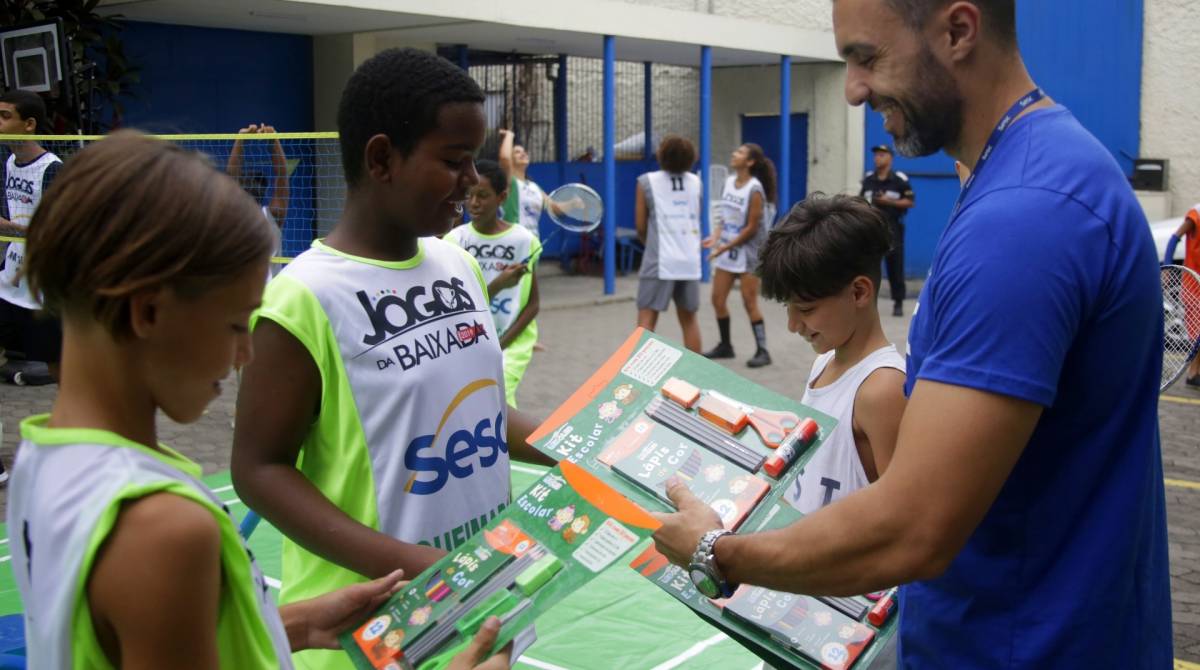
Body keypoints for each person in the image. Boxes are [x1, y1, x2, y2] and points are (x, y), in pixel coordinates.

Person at [652, 1, 1171, 667]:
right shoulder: (1043, 168)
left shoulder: (1022, 221)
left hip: (1021, 646)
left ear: (958, 31)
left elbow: (910, 529)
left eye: (867, 57)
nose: (853, 89)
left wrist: (716, 551)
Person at [8, 130, 510, 670]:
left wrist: (291, 623)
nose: (246, 354)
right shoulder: (164, 529)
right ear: (148, 312)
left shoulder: (41, 459)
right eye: (234, 325)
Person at [230, 48, 552, 670]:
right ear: (381, 159)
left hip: (481, 596)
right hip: (375, 628)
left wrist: (590, 445)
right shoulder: (305, 296)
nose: (472, 181)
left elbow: (485, 411)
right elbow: (258, 470)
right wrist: (426, 566)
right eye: (454, 162)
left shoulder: (455, 263)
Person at [759, 194, 906, 513]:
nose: (793, 324)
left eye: (807, 308)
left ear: (859, 292)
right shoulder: (824, 362)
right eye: (788, 307)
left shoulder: (882, 390)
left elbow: (902, 521)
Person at [445, 159, 541, 406]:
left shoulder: (524, 240)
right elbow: (456, 308)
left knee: (501, 398)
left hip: (512, 341)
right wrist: (499, 284)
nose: (474, 203)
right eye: (469, 195)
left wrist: (501, 344)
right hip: (470, 340)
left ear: (502, 197)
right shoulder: (454, 241)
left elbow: (533, 305)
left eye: (483, 195)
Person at [0, 89, 63, 389]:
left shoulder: (52, 170)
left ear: (29, 124)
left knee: (58, 369)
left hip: (41, 289)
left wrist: (10, 228)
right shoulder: (10, 162)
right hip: (9, 280)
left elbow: (58, 232)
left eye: (5, 116)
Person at [703, 143, 777, 368]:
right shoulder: (728, 182)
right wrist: (716, 237)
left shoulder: (754, 189)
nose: (734, 154)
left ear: (750, 162)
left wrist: (723, 248)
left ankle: (763, 351)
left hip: (749, 253)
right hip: (728, 249)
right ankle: (726, 346)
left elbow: (751, 228)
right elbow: (724, 218)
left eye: (740, 153)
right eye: (735, 151)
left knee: (749, 301)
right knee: (717, 299)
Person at [634, 135, 703, 353]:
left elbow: (640, 225)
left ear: (661, 154)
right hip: (689, 259)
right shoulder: (696, 182)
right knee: (689, 320)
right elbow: (696, 216)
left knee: (646, 319)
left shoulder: (646, 181)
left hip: (660, 258)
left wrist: (649, 244)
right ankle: (697, 375)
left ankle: (639, 375)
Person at [227, 123, 290, 278]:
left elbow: (231, 178)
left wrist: (240, 139)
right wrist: (273, 141)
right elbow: (282, 176)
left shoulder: (268, 216)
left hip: (262, 297)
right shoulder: (271, 215)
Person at [859, 144, 914, 316]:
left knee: (895, 265)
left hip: (892, 228)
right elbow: (862, 200)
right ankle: (866, 302)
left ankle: (898, 302)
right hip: (871, 228)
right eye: (876, 155)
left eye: (882, 155)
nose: (877, 158)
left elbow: (910, 202)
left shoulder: (899, 180)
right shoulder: (869, 179)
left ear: (890, 158)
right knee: (868, 265)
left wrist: (887, 202)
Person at [1165, 203, 1200, 386]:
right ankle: (1192, 373)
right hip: (1193, 281)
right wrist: (1169, 265)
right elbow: (1175, 237)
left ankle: (1195, 373)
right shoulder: (1196, 213)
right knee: (1197, 332)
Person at [498, 129, 546, 238]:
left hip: (533, 246)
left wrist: (573, 203)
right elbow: (504, 158)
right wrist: (509, 135)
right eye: (517, 152)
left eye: (524, 151)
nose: (523, 153)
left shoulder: (534, 187)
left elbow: (555, 208)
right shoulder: (509, 182)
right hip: (512, 244)